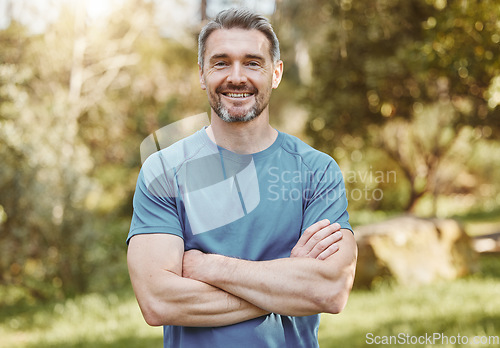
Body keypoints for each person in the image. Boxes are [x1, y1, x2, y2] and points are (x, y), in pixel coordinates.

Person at [127, 7, 357, 348]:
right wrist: (286, 282)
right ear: (202, 74)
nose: (237, 76)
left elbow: (329, 290)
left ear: (275, 73)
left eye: (253, 62)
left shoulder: (317, 171)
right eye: (221, 62)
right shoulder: (163, 172)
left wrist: (209, 268)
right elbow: (159, 301)